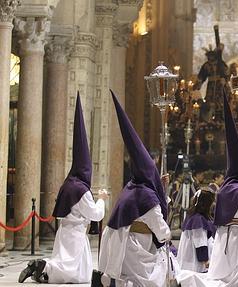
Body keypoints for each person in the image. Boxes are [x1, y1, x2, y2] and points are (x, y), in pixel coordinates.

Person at [176, 89, 238, 287]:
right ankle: (187, 280)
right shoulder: (235, 189)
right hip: (235, 242)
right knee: (233, 282)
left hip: (229, 240)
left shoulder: (226, 188)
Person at [19, 95, 107, 284]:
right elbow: (96, 214)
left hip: (65, 232)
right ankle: (43, 265)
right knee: (68, 270)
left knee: (78, 274)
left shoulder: (68, 183)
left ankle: (42, 271)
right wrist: (101, 198)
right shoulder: (81, 190)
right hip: (74, 234)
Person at [97, 91, 177, 287]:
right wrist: (168, 236)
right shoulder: (146, 195)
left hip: (123, 245)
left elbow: (147, 210)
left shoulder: (132, 187)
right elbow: (159, 225)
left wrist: (161, 189)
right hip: (135, 247)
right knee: (158, 275)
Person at [178, 188, 216, 273]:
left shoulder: (192, 215)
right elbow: (200, 242)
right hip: (194, 263)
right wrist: (205, 260)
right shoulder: (198, 220)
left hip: (189, 260)